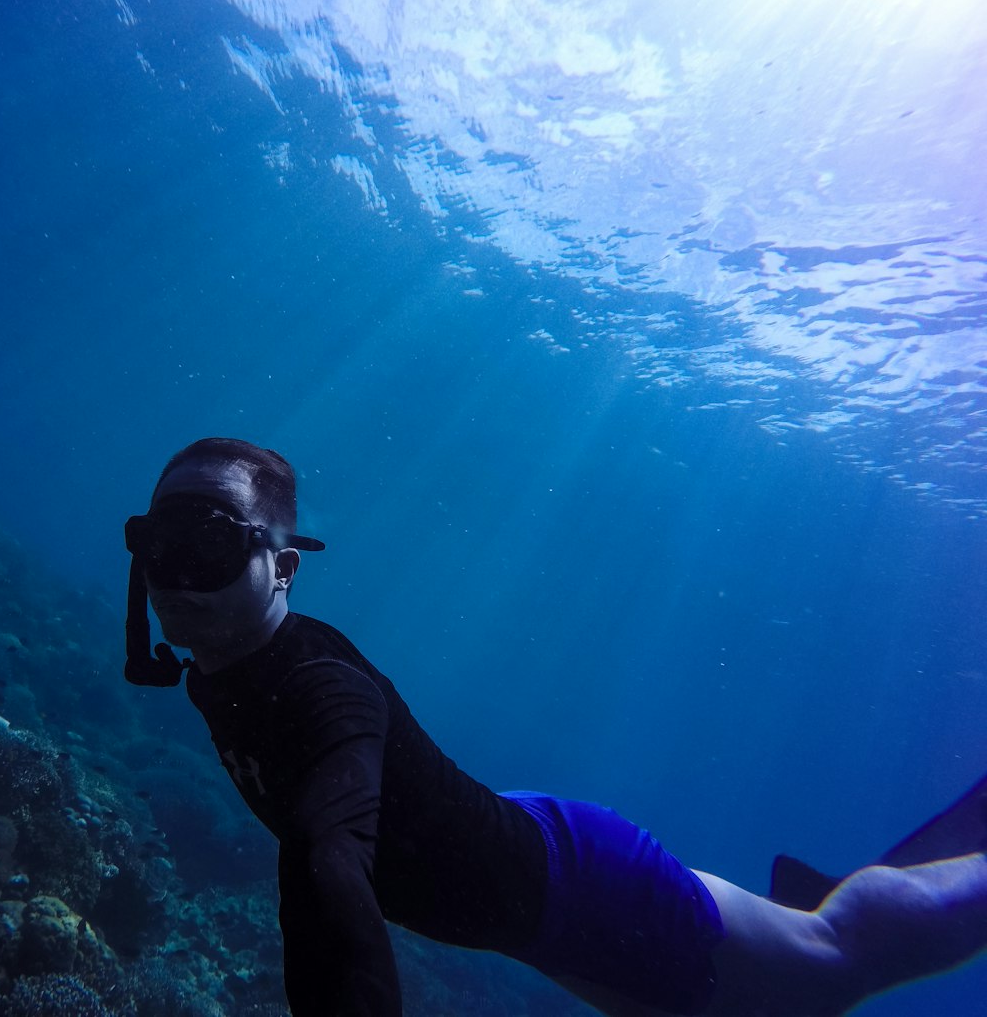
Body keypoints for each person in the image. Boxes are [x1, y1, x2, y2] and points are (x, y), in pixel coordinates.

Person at [122, 436, 987, 1017]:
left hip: (582, 892)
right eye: (158, 543)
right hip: (528, 892)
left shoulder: (321, 696)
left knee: (837, 963)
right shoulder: (223, 658)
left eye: (210, 543)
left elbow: (328, 872)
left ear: (283, 568)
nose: (176, 574)